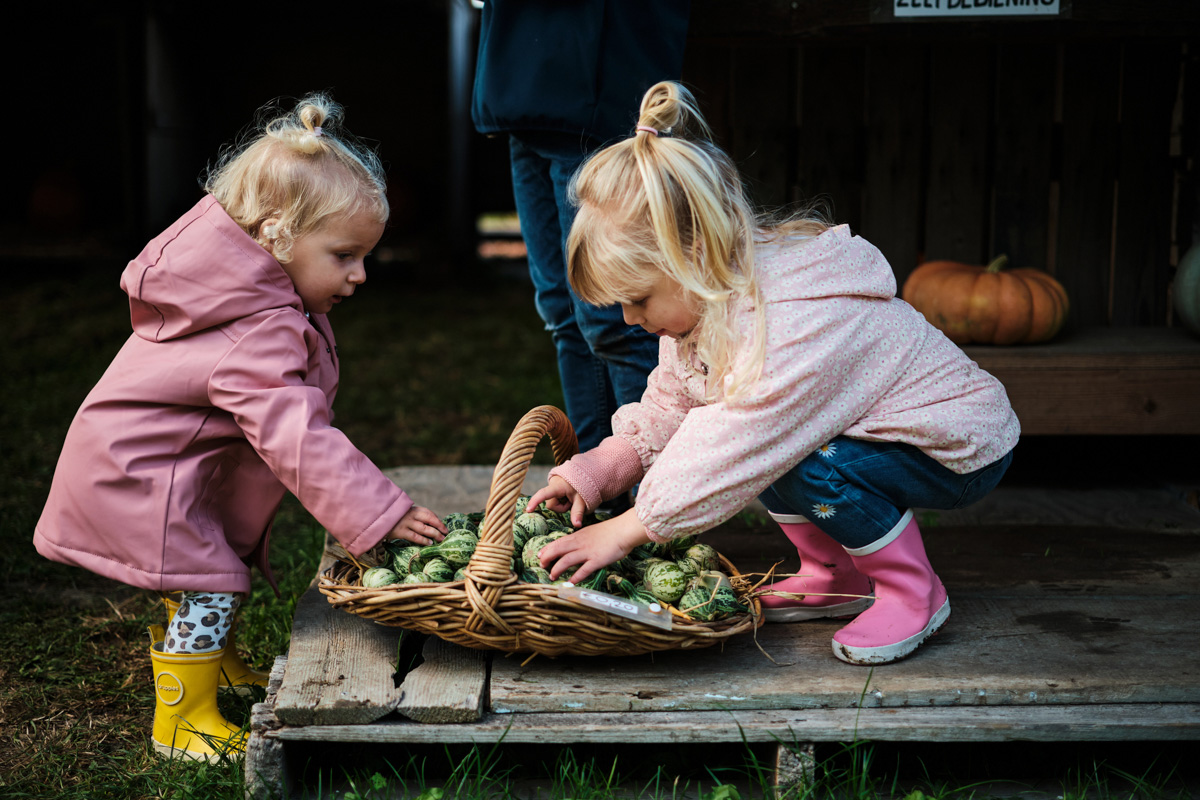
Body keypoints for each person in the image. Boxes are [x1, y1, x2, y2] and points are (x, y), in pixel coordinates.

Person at [527, 82, 1020, 666]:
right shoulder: (703, 306)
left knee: (792, 459)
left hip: (954, 444)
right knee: (781, 454)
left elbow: (736, 440)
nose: (632, 321)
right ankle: (836, 574)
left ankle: (913, 593)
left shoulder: (791, 319)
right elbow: (671, 409)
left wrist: (630, 528)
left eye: (637, 300)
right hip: (867, 431)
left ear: (694, 256)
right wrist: (598, 472)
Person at [33, 93, 447, 761]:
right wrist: (379, 510)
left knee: (204, 569)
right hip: (142, 477)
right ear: (278, 235)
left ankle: (211, 667)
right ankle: (182, 721)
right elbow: (295, 435)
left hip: (145, 464)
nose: (360, 274)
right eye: (344, 255)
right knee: (207, 578)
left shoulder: (246, 297)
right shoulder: (254, 325)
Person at [471, 0, 690, 466]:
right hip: (522, 88)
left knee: (614, 317)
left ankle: (648, 502)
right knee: (561, 310)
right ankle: (594, 485)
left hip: (595, 77)